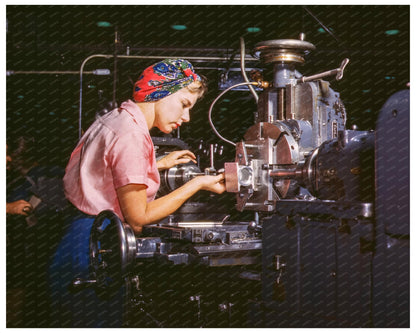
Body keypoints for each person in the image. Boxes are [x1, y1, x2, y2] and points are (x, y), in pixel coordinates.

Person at [49, 59, 226, 328]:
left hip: (80, 237)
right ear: (161, 92)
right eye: (184, 104)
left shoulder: (118, 119)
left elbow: (105, 171)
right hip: (95, 249)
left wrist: (155, 164)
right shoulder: (131, 135)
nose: (186, 117)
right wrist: (197, 183)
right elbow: (139, 217)